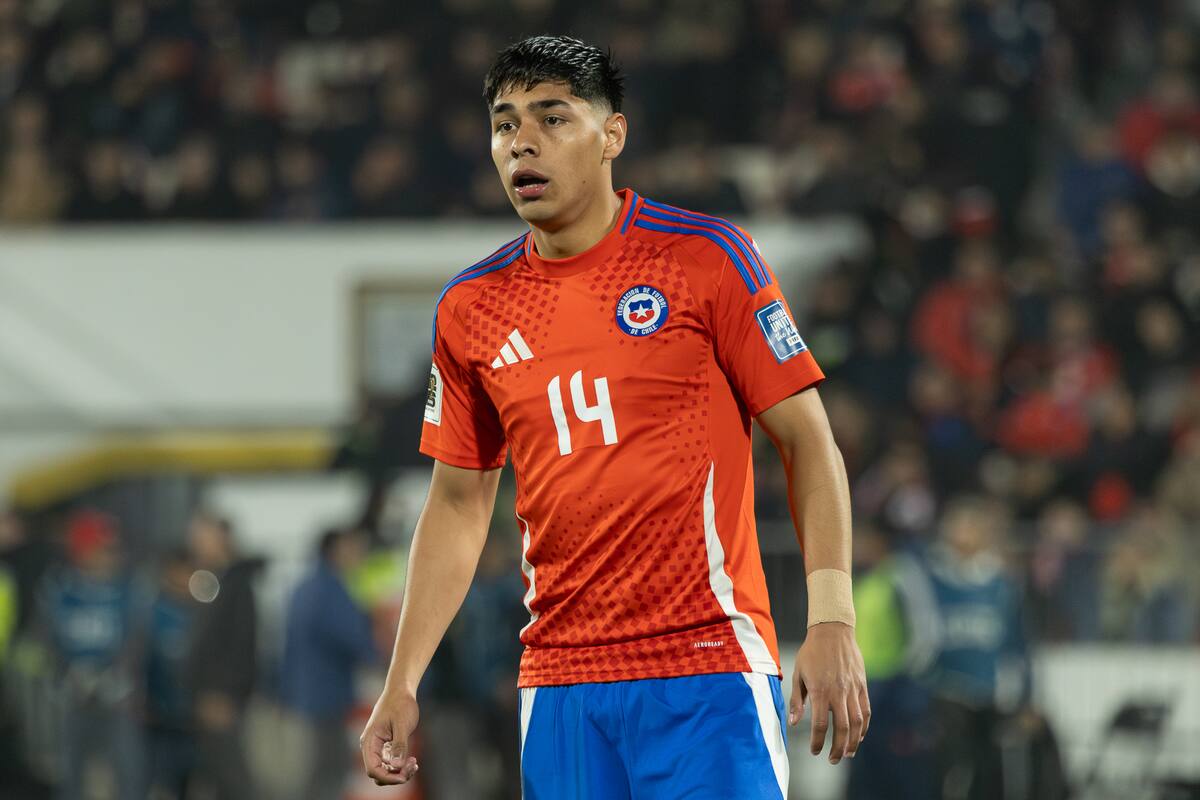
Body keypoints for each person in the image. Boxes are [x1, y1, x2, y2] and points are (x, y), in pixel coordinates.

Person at [360, 35, 869, 800]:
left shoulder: (705, 259)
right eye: (504, 125)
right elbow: (459, 503)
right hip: (561, 684)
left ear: (613, 136)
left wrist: (832, 617)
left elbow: (809, 442)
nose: (521, 142)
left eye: (552, 118)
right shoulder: (471, 308)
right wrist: (403, 680)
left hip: (704, 670)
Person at [37, 510, 144, 800]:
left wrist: (120, 677)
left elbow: (136, 638)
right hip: (73, 695)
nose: (111, 555)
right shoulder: (60, 587)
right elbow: (47, 638)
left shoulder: (128, 588)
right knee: (70, 773)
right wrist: (64, 675)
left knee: (128, 773)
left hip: (116, 695)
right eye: (103, 548)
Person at [280, 528, 381, 800]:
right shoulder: (330, 588)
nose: (359, 554)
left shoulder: (305, 586)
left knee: (319, 767)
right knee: (329, 767)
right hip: (327, 694)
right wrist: (388, 661)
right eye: (353, 547)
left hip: (307, 692)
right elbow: (351, 635)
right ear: (336, 549)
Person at [184, 512, 261, 800]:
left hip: (221, 700)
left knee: (234, 779)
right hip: (205, 696)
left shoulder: (237, 586)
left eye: (202, 536)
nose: (196, 544)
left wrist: (224, 694)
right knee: (216, 779)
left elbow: (241, 645)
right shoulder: (210, 581)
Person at [144, 549, 199, 800]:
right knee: (157, 781)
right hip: (158, 714)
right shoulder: (152, 612)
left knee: (186, 781)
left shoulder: (201, 613)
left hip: (191, 715)